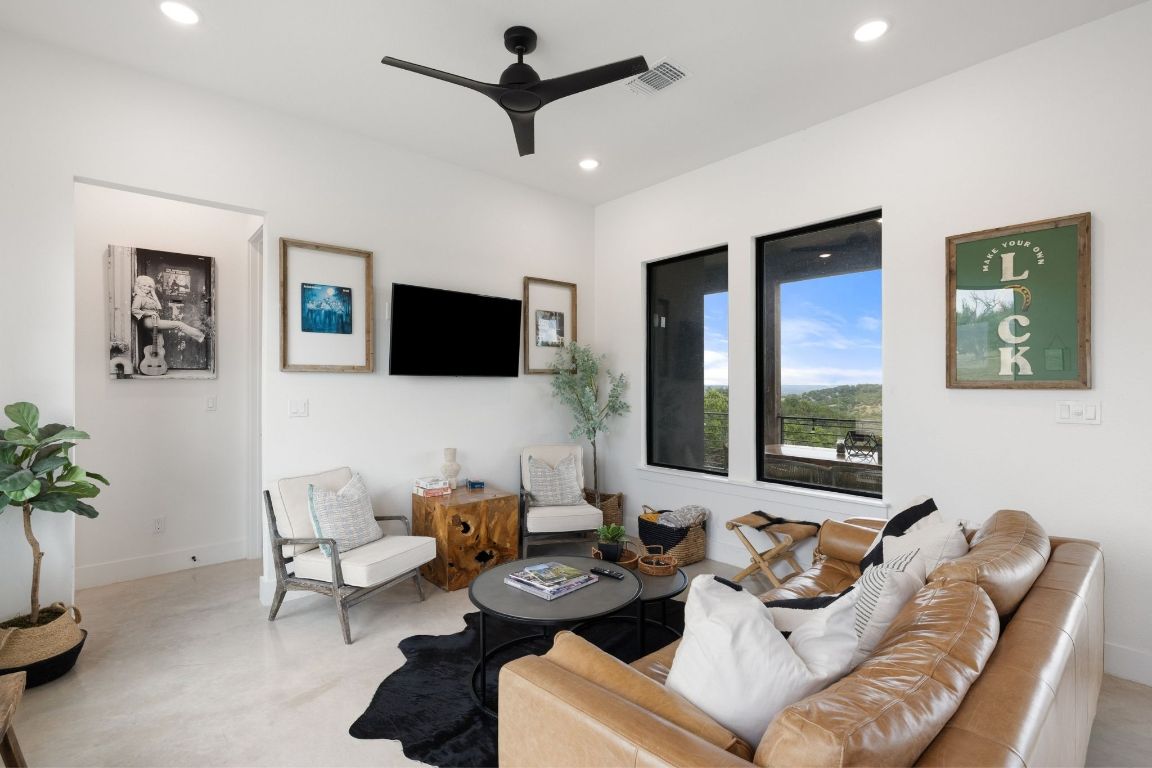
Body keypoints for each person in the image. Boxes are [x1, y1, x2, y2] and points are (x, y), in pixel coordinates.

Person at [131, 275, 205, 343]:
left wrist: (153, 294)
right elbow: (134, 310)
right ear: (139, 286)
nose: (147, 288)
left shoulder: (148, 297)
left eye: (149, 286)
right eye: (144, 285)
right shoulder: (139, 297)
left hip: (156, 320)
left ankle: (155, 358)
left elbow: (159, 308)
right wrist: (150, 313)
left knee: (160, 344)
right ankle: (201, 335)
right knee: (178, 324)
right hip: (149, 321)